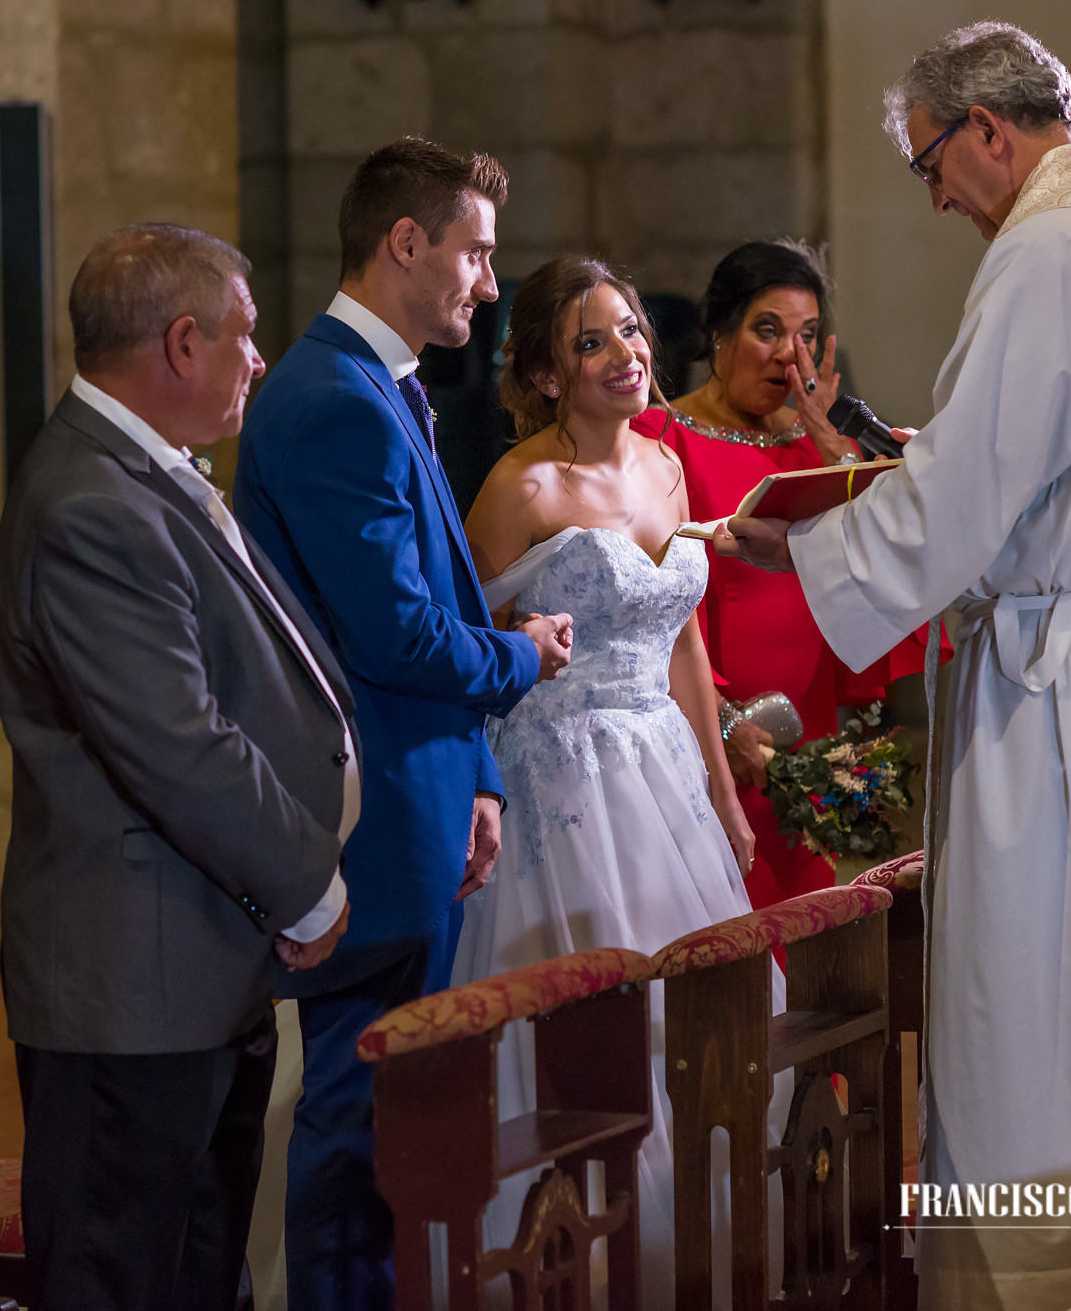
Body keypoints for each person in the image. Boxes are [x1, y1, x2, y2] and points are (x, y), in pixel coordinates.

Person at [719, 22, 1071, 1307]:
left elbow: (955, 510)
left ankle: (1044, 1272)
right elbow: (1043, 468)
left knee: (1029, 1005)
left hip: (1049, 689)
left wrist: (799, 549)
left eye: (930, 165)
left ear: (987, 129)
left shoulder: (1045, 249)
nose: (932, 197)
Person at [0, 223, 354, 1309]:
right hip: (129, 987)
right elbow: (176, 742)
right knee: (122, 1278)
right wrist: (306, 880)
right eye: (244, 336)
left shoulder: (141, 474)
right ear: (182, 343)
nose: (259, 358)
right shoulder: (90, 504)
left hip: (192, 965)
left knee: (198, 1273)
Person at [234, 136, 572, 1307]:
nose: (488, 280)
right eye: (474, 253)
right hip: (367, 816)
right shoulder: (330, 394)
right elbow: (393, 634)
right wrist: (520, 656)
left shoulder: (379, 383)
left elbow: (431, 592)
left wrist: (477, 772)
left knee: (404, 1123)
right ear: (405, 243)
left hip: (424, 797)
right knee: (356, 1127)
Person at [458, 255, 783, 1300]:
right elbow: (464, 648)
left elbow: (682, 639)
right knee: (587, 1022)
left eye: (633, 332)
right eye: (591, 341)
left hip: (664, 782)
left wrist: (721, 792)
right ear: (547, 373)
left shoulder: (664, 468)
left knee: (687, 1021)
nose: (626, 356)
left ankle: (687, 1253)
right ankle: (567, 1261)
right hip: (563, 780)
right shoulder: (520, 487)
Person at [634, 242, 939, 919]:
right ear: (719, 330)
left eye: (805, 336)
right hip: (705, 737)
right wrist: (721, 724)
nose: (787, 356)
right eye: (766, 329)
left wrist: (837, 454)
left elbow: (883, 584)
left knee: (806, 944)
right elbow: (647, 604)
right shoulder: (658, 437)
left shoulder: (819, 449)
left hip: (808, 738)